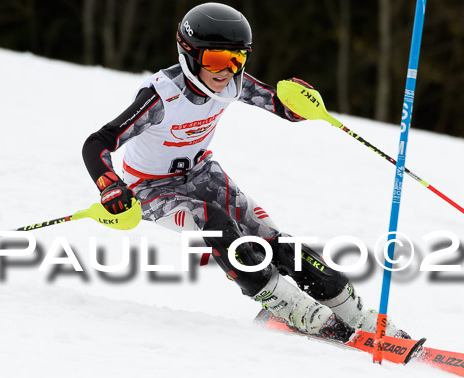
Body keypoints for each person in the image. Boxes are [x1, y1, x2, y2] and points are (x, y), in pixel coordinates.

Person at [82, 2, 408, 342]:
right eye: (216, 60)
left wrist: (297, 106)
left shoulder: (232, 84)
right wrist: (109, 185)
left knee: (270, 237)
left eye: (237, 59)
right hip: (149, 188)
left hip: (200, 172)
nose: (226, 71)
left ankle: (356, 314)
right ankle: (289, 305)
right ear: (190, 54)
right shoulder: (161, 97)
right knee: (215, 221)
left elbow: (276, 103)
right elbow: (97, 142)